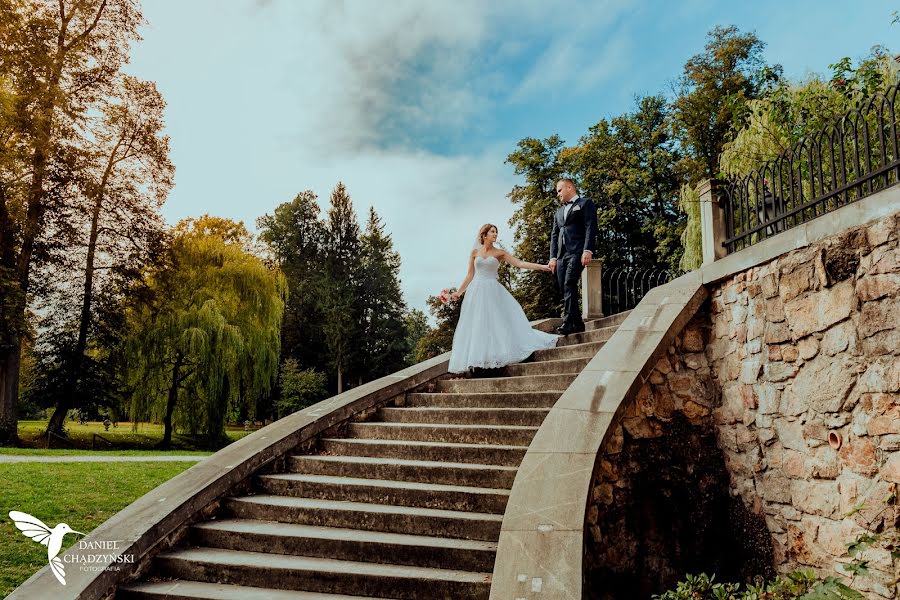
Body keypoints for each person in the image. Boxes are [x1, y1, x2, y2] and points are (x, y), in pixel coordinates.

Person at [448, 224, 558, 373]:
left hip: (493, 291)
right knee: (477, 324)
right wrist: (458, 292)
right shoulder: (474, 253)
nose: (495, 234)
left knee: (496, 323)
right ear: (484, 235)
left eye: (496, 232)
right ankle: (479, 360)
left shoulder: (500, 253)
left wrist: (543, 267)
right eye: (492, 232)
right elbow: (470, 275)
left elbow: (519, 263)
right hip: (476, 291)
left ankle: (497, 357)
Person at [549, 178, 597, 335]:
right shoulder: (558, 212)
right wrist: (553, 257)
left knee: (570, 283)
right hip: (562, 256)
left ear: (569, 187)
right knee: (564, 287)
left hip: (577, 251)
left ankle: (568, 321)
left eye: (559, 190)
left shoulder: (585, 203)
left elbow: (591, 226)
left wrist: (587, 250)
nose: (558, 194)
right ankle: (577, 322)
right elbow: (554, 235)